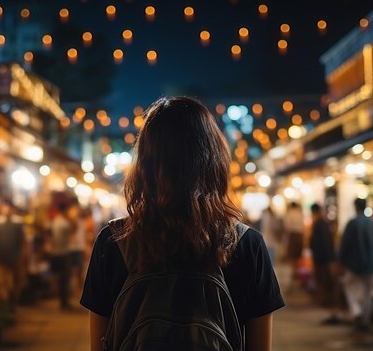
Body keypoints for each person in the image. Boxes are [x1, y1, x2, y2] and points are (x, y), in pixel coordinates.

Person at [80, 96, 284, 351]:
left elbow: (98, 344)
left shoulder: (113, 242)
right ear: (214, 161)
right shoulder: (247, 245)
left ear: (144, 165)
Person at [338, 197, 373, 331]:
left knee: (350, 289)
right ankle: (365, 319)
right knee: (368, 293)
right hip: (370, 264)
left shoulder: (352, 223)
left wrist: (341, 261)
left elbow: (345, 245)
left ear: (356, 207)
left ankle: (357, 313)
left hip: (353, 264)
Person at [309, 202, 340, 325]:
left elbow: (320, 243)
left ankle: (327, 304)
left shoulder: (319, 224)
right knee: (326, 282)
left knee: (325, 281)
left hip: (322, 259)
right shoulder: (324, 223)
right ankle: (327, 304)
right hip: (326, 258)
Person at [0, 203, 26, 311]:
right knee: (4, 282)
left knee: (17, 280)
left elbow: (22, 239)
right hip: (2, 256)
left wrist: (22, 253)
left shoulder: (18, 223)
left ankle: (12, 301)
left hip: (15, 256)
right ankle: (6, 305)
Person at [50, 200, 77, 310]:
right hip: (64, 253)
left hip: (55, 252)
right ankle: (64, 302)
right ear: (65, 210)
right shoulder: (65, 223)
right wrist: (72, 219)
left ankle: (62, 301)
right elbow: (73, 231)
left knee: (59, 278)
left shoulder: (55, 221)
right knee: (65, 279)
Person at [283, 201, 305, 289]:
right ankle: (297, 276)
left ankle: (293, 276)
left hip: (292, 236)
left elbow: (287, 227)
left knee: (292, 258)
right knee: (298, 257)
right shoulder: (300, 213)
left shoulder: (289, 214)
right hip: (300, 236)